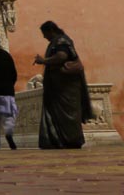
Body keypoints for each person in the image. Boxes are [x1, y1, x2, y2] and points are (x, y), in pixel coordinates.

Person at [34, 20, 94, 149]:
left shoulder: (61, 41)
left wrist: (43, 61)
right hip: (58, 87)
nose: (44, 37)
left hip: (65, 87)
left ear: (51, 31)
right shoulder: (58, 42)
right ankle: (58, 140)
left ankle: (70, 139)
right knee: (61, 114)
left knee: (68, 114)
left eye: (45, 33)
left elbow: (62, 56)